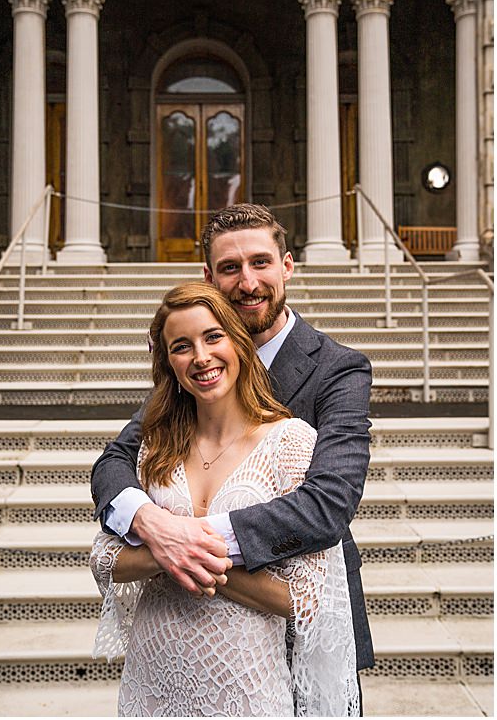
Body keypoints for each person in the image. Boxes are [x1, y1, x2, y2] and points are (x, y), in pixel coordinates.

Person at [89, 204, 375, 697]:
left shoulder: (338, 369)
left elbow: (329, 503)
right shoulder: (194, 371)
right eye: (230, 268)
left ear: (287, 265)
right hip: (175, 651)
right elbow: (116, 462)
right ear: (208, 277)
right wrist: (152, 523)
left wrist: (189, 542)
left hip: (294, 617)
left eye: (260, 262)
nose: (248, 282)